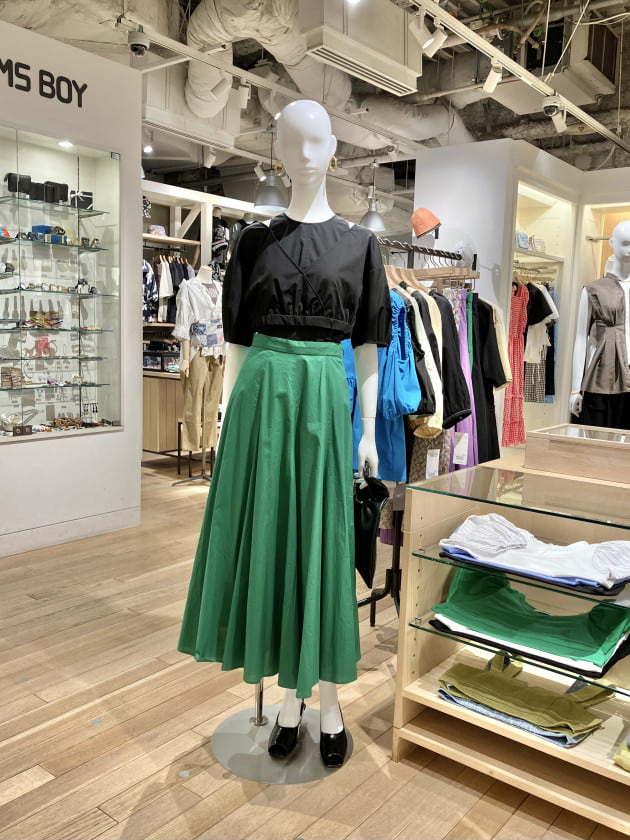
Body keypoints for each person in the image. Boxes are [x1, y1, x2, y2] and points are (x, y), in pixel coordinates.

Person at [177, 99, 391, 768]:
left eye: (315, 140)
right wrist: (224, 416)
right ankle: (290, 704)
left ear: (335, 151)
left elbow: (369, 348)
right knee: (270, 541)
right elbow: (237, 343)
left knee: (320, 546)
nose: (303, 154)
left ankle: (328, 703)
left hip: (323, 399)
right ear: (276, 151)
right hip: (261, 402)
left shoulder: (361, 246)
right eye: (290, 141)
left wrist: (368, 432)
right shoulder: (251, 242)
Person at [570, 219, 630, 428]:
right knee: (598, 439)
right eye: (625, 243)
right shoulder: (594, 289)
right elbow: (581, 338)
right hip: (604, 374)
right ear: (612, 243)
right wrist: (575, 389)